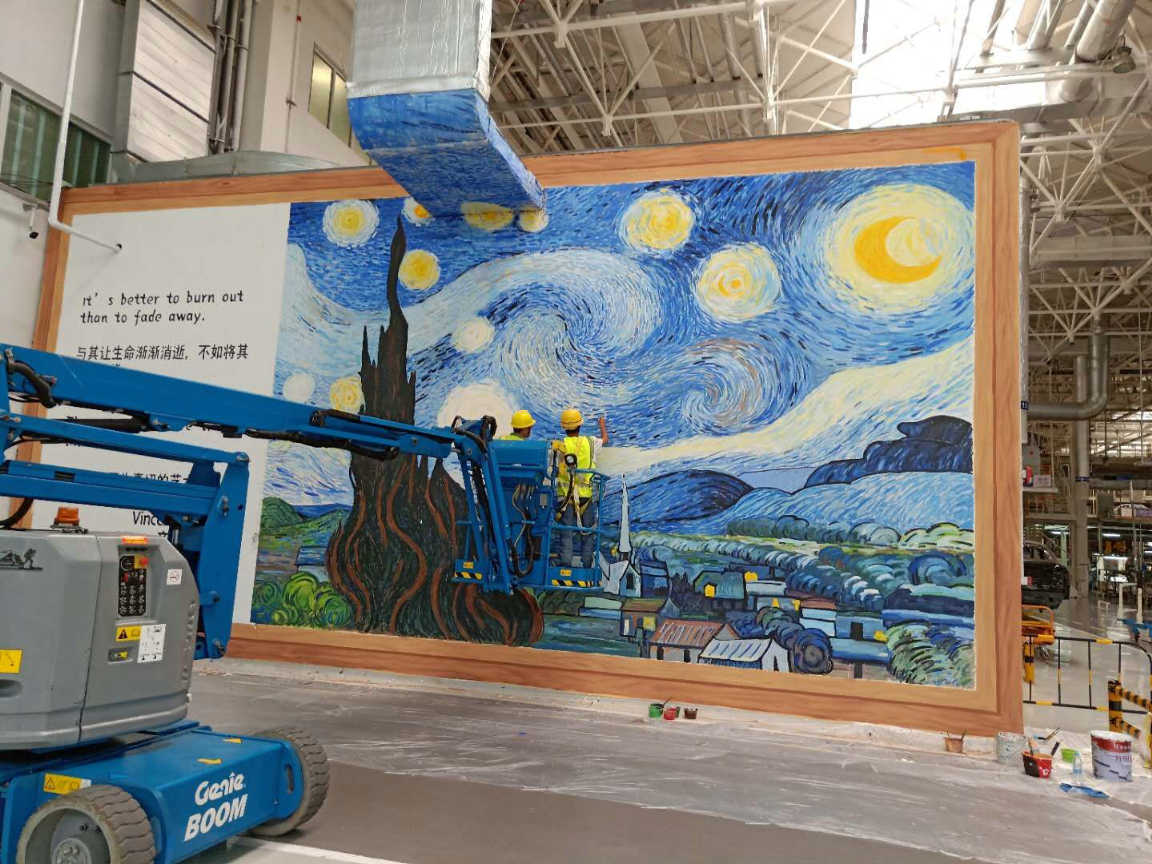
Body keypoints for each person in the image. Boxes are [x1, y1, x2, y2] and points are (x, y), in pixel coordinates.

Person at [553, 407, 599, 568]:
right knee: (588, 532)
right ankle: (587, 563)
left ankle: (565, 563)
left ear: (564, 427)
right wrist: (602, 425)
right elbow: (605, 440)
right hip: (586, 495)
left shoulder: (560, 445)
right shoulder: (591, 442)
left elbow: (553, 469)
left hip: (565, 498)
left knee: (566, 532)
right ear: (580, 425)